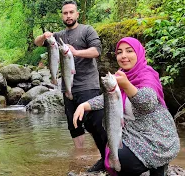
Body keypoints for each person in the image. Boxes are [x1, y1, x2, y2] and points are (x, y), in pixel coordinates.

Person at [73, 37, 180, 175]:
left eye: (129, 51)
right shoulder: (122, 75)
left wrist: (127, 85)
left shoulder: (147, 75)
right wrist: (85, 105)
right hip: (132, 131)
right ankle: (105, 156)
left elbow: (147, 103)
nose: (123, 56)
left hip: (156, 136)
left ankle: (159, 164)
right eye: (119, 52)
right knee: (92, 114)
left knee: (123, 162)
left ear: (140, 53)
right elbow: (110, 97)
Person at [34, 0, 107, 172]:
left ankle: (103, 156)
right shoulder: (58, 37)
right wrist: (43, 36)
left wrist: (76, 52)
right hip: (68, 87)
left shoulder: (87, 30)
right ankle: (80, 156)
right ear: (62, 15)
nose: (68, 16)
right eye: (65, 13)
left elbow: (97, 51)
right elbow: (37, 43)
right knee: (73, 124)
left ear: (77, 14)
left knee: (94, 123)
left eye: (71, 12)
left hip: (88, 85)